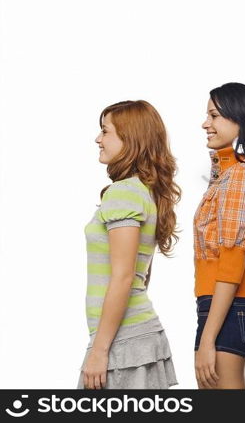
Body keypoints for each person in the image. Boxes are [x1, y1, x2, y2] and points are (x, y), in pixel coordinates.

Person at [80, 100, 180, 389]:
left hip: (123, 342)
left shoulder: (123, 193)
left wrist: (100, 350)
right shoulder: (142, 192)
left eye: (105, 131)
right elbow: (142, 274)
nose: (98, 139)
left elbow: (124, 277)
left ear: (130, 139)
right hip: (133, 337)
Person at [193, 83, 245, 389]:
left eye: (214, 116)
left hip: (229, 308)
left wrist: (208, 338)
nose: (205, 123)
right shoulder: (230, 173)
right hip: (224, 308)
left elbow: (231, 261)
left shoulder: (241, 176)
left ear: (240, 119)